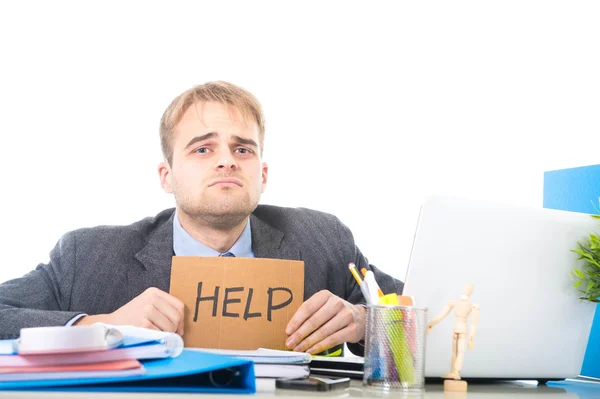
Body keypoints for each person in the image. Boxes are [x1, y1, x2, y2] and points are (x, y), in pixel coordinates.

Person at [0, 81, 403, 355]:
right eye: (203, 149)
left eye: (243, 149)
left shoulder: (322, 240)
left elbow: (434, 312)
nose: (227, 160)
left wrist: (366, 320)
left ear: (262, 175)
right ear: (167, 177)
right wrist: (101, 325)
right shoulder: (87, 257)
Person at [426, 283, 480, 379]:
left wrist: (471, 337)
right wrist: (430, 325)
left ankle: (456, 372)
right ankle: (453, 372)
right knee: (456, 352)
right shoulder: (455, 303)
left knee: (460, 352)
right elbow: (441, 316)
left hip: (461, 328)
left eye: (468, 289)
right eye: (465, 288)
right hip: (458, 328)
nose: (465, 290)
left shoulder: (472, 305)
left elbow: (473, 323)